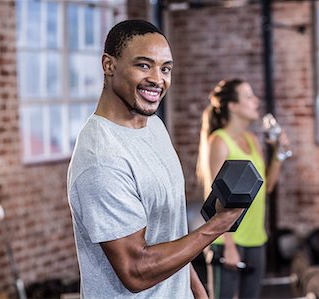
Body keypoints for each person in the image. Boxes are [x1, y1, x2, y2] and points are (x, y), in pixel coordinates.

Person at [67, 20, 246, 298]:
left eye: (165, 68)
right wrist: (218, 225)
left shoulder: (153, 126)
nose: (157, 79)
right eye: (143, 65)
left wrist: (198, 292)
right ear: (108, 65)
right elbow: (136, 271)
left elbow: (169, 236)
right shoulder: (101, 159)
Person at [196, 79, 288, 299]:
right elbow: (216, 199)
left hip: (257, 238)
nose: (255, 100)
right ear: (233, 106)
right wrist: (229, 245)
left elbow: (266, 187)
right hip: (228, 240)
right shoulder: (219, 141)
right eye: (248, 96)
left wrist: (279, 153)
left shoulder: (252, 139)